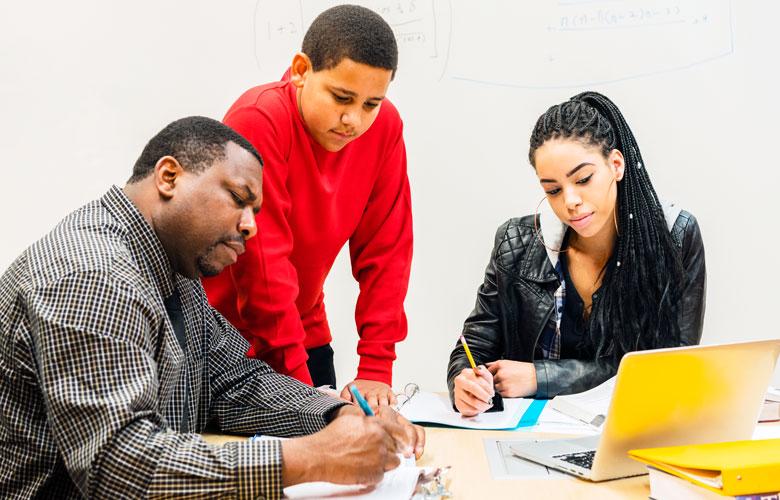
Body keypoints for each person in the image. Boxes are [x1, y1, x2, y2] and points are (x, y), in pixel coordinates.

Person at [0, 116, 424, 499]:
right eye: (239, 198)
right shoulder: (92, 275)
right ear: (169, 176)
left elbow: (233, 382)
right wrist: (314, 457)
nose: (251, 225)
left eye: (255, 211)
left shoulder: (174, 270)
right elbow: (120, 465)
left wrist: (338, 414)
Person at [202, 5, 412, 407]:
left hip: (304, 334)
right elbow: (263, 265)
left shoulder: (384, 127)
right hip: (227, 343)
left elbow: (388, 249)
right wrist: (303, 397)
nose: (354, 119)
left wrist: (375, 368)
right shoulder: (259, 118)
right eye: (341, 97)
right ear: (301, 70)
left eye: (371, 103)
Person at [447, 92, 706, 416]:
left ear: (616, 164)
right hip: (528, 441)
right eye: (552, 190)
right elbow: (472, 349)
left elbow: (668, 371)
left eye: (583, 180)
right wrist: (464, 382)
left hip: (634, 436)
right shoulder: (516, 242)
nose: (570, 201)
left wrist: (540, 377)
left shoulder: (675, 236)